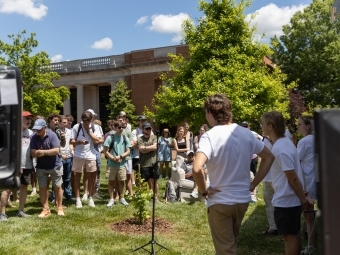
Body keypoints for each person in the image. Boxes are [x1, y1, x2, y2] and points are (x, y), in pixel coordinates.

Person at [192, 93, 274, 255]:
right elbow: (269, 157)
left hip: (220, 201)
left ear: (209, 113)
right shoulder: (246, 134)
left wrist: (204, 191)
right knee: (230, 244)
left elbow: (196, 168)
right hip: (242, 200)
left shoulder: (209, 136)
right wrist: (254, 183)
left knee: (226, 249)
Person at [261, 111, 312, 255]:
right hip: (290, 199)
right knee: (294, 235)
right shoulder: (285, 143)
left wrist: (303, 198)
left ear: (270, 126)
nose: (261, 126)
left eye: (263, 123)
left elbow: (292, 177)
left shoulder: (280, 148)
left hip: (286, 201)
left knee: (289, 238)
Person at [30, 119, 65, 218]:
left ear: (45, 127)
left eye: (39, 129)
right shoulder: (33, 137)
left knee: (58, 187)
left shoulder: (52, 135)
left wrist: (42, 152)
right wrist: (44, 152)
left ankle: (59, 208)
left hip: (55, 165)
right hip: (41, 167)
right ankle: (45, 209)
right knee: (42, 188)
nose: (37, 132)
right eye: (36, 129)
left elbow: (56, 150)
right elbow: (33, 152)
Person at [70, 111, 101, 208]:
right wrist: (79, 142)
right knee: (77, 177)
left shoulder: (95, 127)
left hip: (91, 155)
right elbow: (71, 141)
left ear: (91, 119)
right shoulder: (76, 127)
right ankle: (78, 199)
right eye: (84, 121)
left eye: (88, 121)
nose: (86, 123)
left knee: (91, 178)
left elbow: (97, 140)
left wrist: (88, 131)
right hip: (78, 155)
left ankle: (91, 198)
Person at [297, 116, 316, 255]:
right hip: (315, 180)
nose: (298, 126)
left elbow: (295, 159)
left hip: (307, 181)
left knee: (308, 216)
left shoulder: (305, 141)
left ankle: (311, 246)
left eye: (300, 124)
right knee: (310, 215)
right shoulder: (317, 139)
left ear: (308, 126)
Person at [103, 121, 131, 207]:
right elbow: (105, 151)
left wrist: (121, 156)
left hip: (121, 164)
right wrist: (113, 158)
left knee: (122, 182)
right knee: (111, 182)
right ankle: (111, 199)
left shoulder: (125, 138)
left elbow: (128, 151)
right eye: (119, 127)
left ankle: (122, 198)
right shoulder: (110, 138)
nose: (121, 129)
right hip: (112, 164)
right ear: (114, 128)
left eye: (123, 127)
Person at [17, 111, 34, 218]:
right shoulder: (14, 132)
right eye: (26, 118)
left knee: (24, 187)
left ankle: (20, 210)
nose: (29, 121)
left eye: (30, 119)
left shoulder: (31, 133)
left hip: (27, 165)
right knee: (7, 188)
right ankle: (2, 213)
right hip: (14, 166)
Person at [137, 122, 159, 199]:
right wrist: (150, 148)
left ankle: (155, 197)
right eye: (147, 128)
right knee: (143, 182)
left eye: (150, 128)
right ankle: (144, 198)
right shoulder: (140, 139)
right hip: (144, 164)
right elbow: (141, 150)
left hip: (154, 163)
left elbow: (155, 147)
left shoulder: (154, 137)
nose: (149, 130)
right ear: (143, 129)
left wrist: (145, 148)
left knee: (155, 181)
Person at [59, 115, 74, 201]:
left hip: (68, 156)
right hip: (60, 157)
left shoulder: (69, 131)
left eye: (66, 122)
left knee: (67, 177)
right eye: (64, 122)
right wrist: (61, 155)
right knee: (58, 178)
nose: (66, 124)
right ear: (60, 123)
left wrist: (72, 151)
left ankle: (68, 195)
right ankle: (55, 196)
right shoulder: (56, 132)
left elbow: (70, 143)